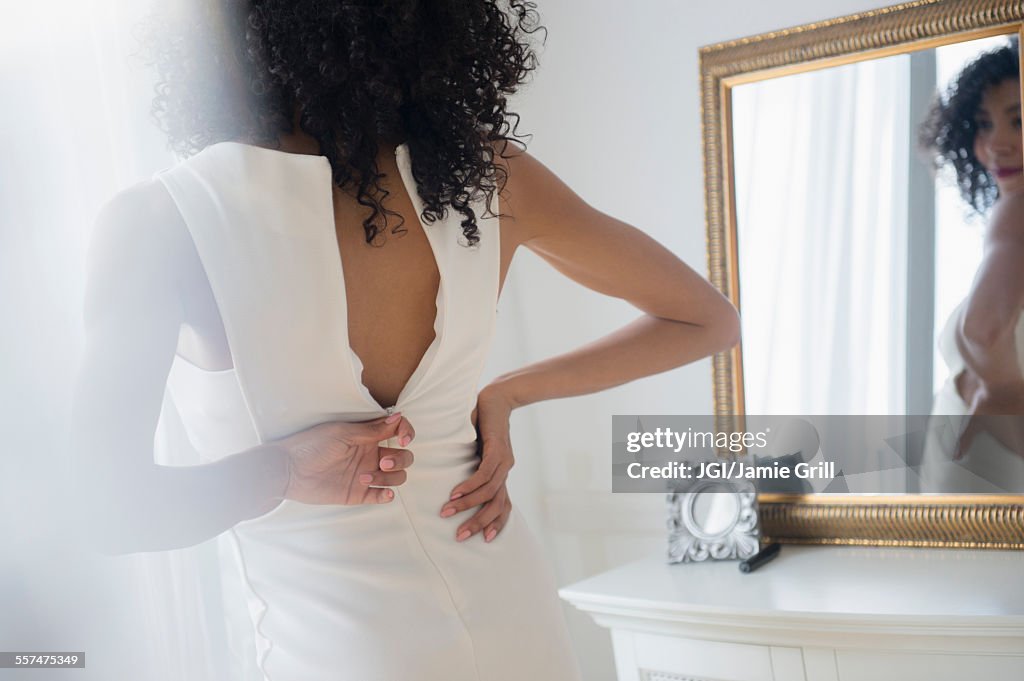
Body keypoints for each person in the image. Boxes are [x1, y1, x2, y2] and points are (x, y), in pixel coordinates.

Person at [71, 1, 740, 680]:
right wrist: (506, 394)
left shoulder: (159, 223)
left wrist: (283, 470)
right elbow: (708, 318)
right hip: (515, 617)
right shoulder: (488, 175)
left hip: (339, 654)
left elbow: (103, 511)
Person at [918, 39, 1024, 493]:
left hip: (982, 465)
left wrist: (994, 398)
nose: (995, 143)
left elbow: (983, 332)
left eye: (1018, 121)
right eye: (984, 124)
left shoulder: (1016, 211)